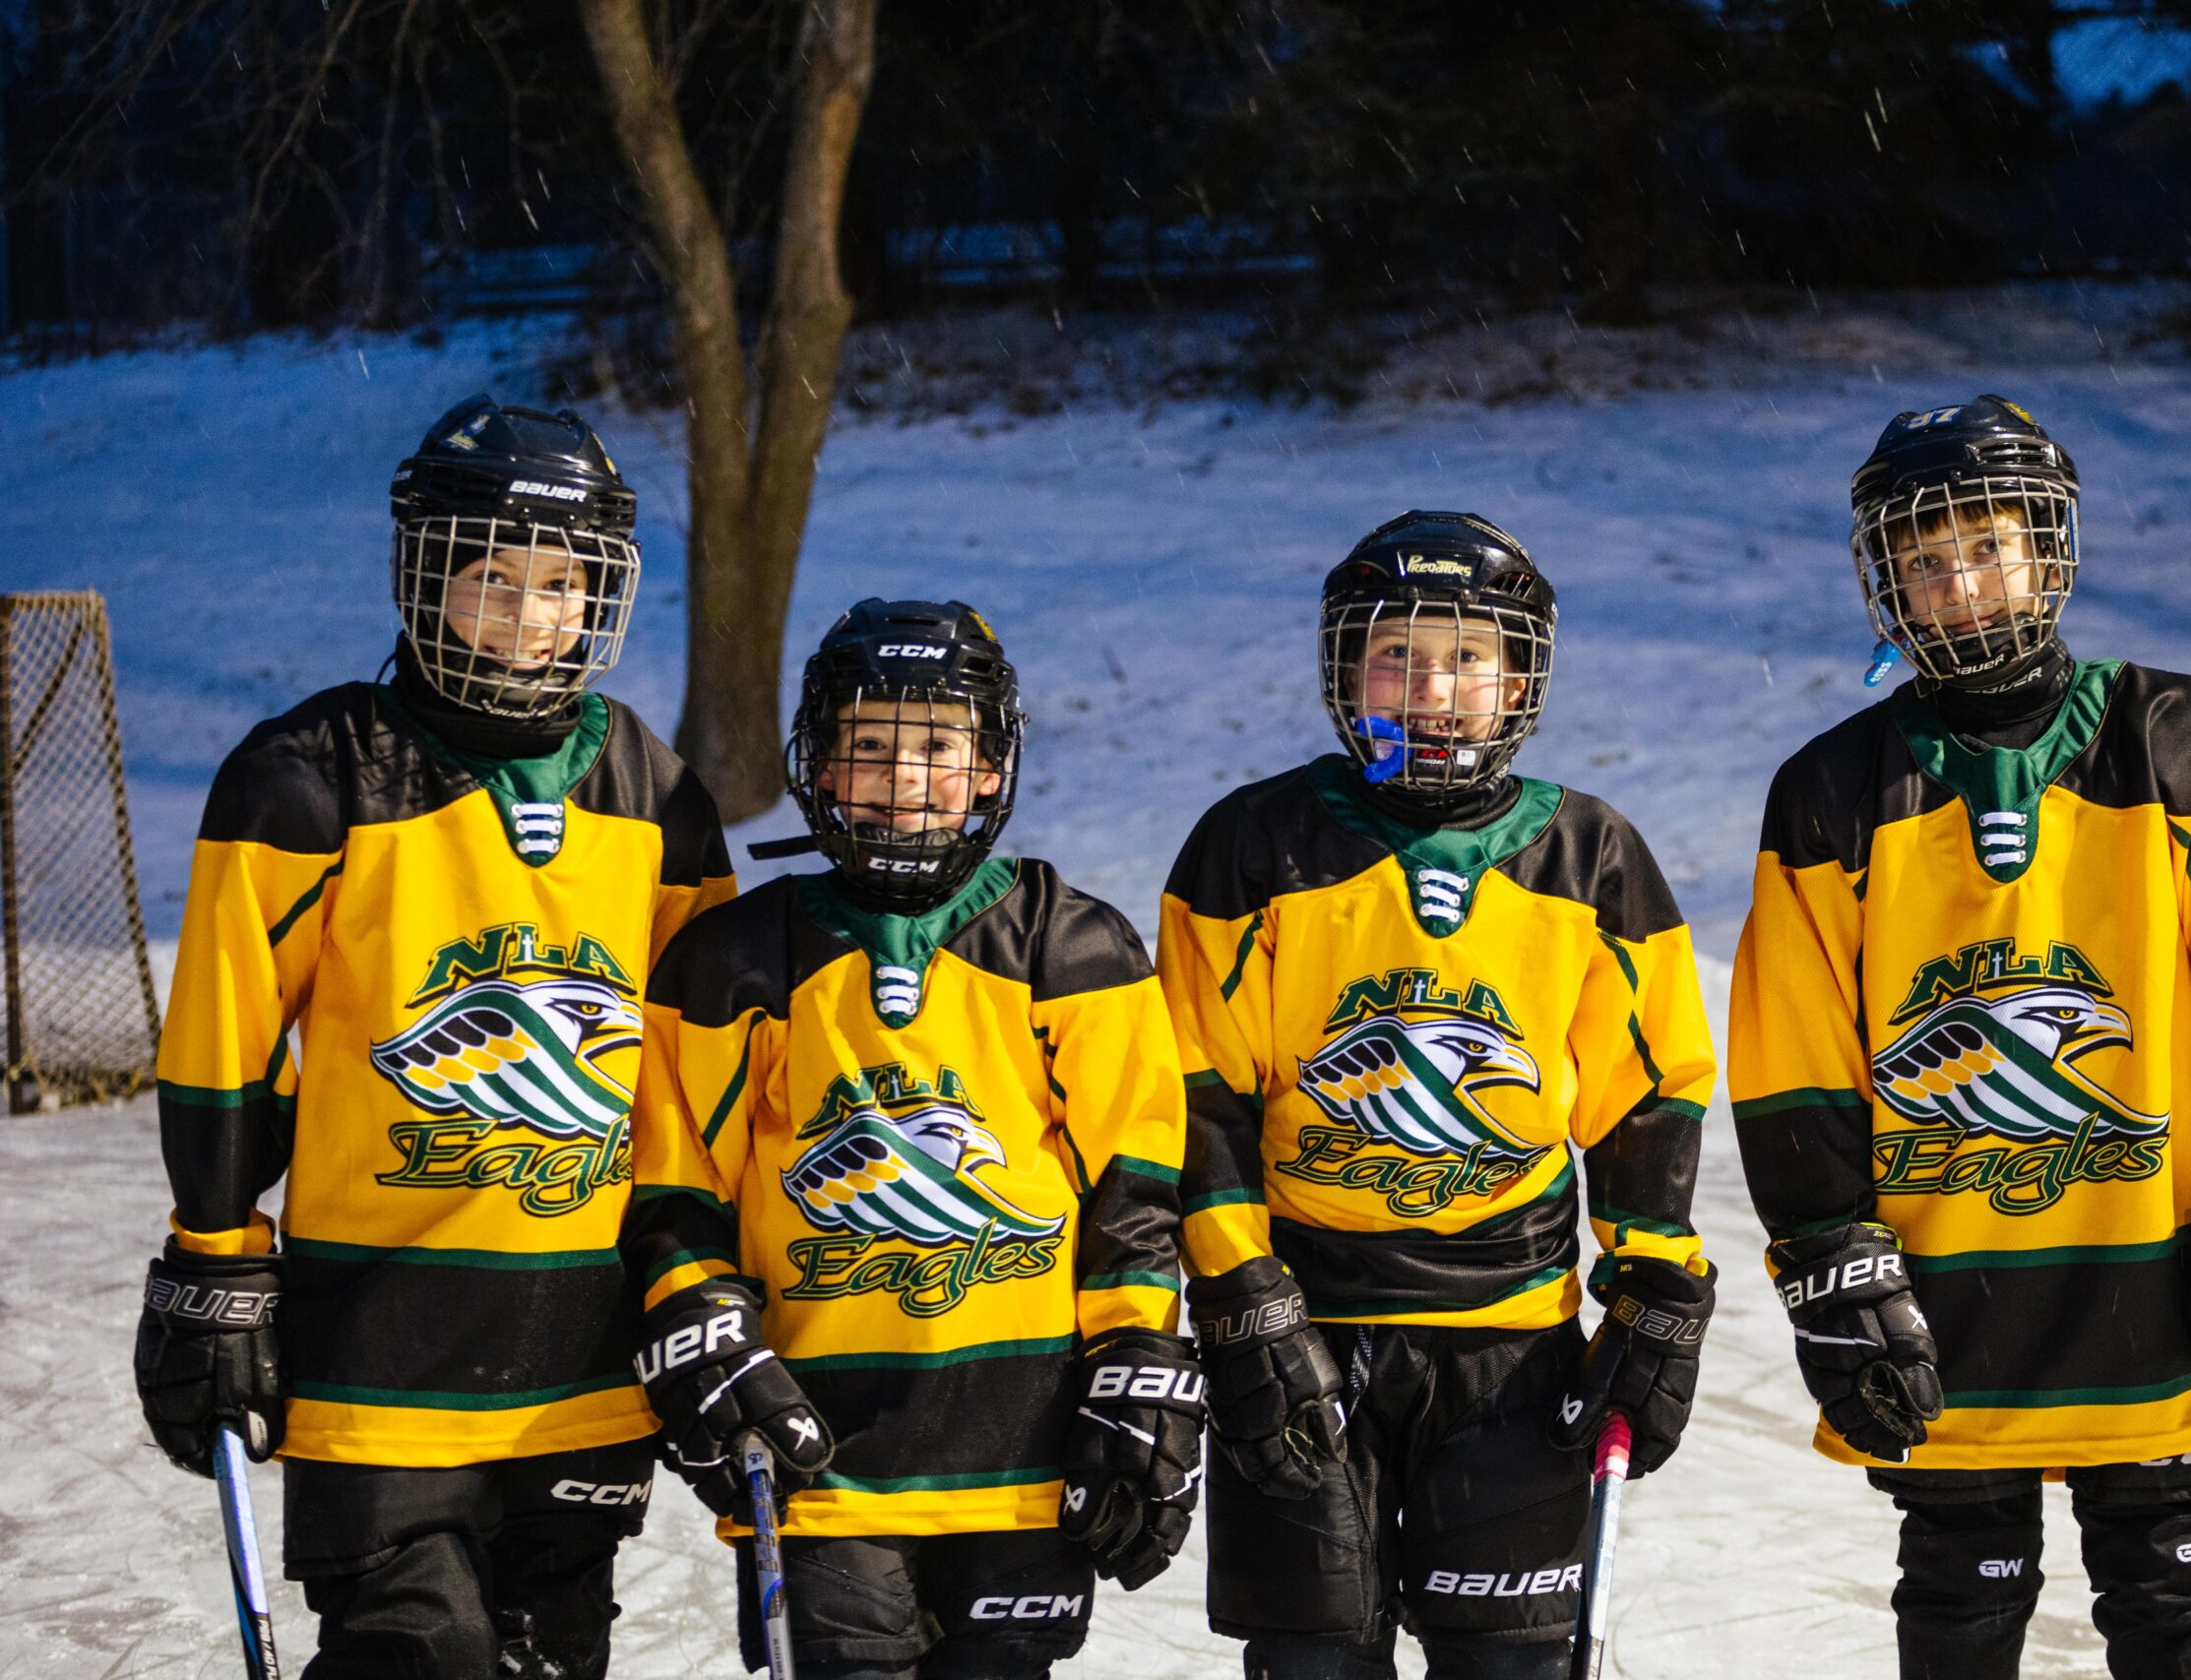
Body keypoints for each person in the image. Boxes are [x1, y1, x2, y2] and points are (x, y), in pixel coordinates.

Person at [1728, 395, 2191, 1679]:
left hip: (2161, 1276)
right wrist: (1831, 1250)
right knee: (1961, 1600)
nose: (1962, 586)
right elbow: (1794, 1059)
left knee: (2176, 1599)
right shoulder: (1832, 790)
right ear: (1886, 582)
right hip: (1944, 1293)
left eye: (1990, 546)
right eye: (1927, 560)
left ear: (2051, 546)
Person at [135, 395, 734, 1676]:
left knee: (549, 1655)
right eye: (490, 579)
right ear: (421, 573)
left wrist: (707, 1284)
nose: (531, 616)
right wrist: (214, 1248)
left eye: (562, 584)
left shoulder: (657, 792)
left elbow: (702, 1081)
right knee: (416, 1654)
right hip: (376, 1362)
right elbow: (224, 1044)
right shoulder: (309, 770)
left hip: (583, 1355)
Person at [1158, 512, 1720, 1680]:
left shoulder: (1588, 854)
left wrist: (1656, 1284)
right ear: (1340, 670)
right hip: (1304, 1336)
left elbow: (1646, 1097)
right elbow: (1197, 1094)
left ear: (1520, 675)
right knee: (1311, 1661)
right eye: (1395, 655)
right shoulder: (1254, 846)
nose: (1433, 688)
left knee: (1513, 1663)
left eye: (1468, 656)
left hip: (1514, 1355)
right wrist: (1241, 1293)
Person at [625, 598, 1199, 1679]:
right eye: (869, 746)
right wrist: (699, 1318)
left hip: (1023, 1452)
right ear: (819, 766)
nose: (899, 775)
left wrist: (1136, 1355)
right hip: (818, 1457)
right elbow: (677, 1186)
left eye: (936, 746)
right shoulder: (736, 959)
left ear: (990, 768)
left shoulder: (1073, 946)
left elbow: (1136, 1184)